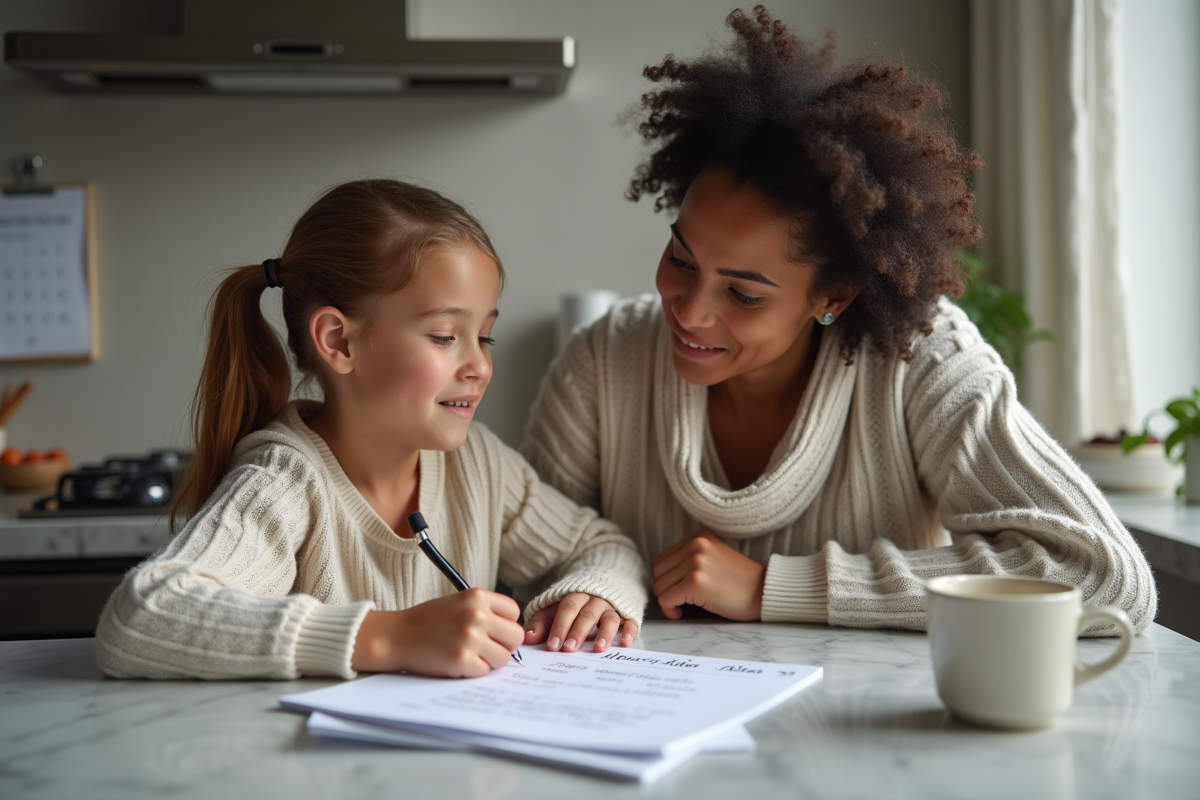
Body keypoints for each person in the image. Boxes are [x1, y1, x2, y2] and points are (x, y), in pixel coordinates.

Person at [522, 7, 1155, 634]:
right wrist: (600, 584)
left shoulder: (921, 359)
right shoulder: (602, 362)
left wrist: (777, 586)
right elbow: (528, 553)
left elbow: (1101, 574)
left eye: (744, 295)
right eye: (681, 259)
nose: (689, 309)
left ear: (833, 296)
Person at [96, 179, 647, 681]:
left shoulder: (478, 463)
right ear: (338, 341)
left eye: (485, 336)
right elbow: (144, 614)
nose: (479, 365)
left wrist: (589, 593)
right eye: (443, 336)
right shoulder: (286, 481)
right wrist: (390, 636)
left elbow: (600, 544)